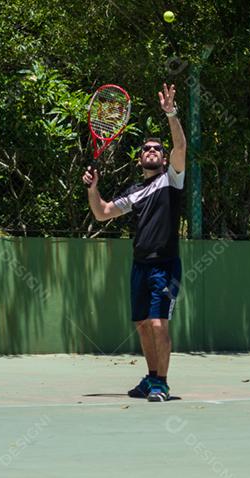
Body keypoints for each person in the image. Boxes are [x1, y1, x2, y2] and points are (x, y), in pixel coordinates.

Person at [83, 83, 186, 402]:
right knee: (143, 324)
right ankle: (151, 378)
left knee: (158, 323)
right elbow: (102, 213)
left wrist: (170, 113)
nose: (153, 151)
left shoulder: (172, 178)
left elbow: (180, 146)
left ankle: (163, 384)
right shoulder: (134, 193)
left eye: (158, 148)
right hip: (140, 266)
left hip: (165, 265)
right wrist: (92, 188)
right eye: (147, 149)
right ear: (140, 158)